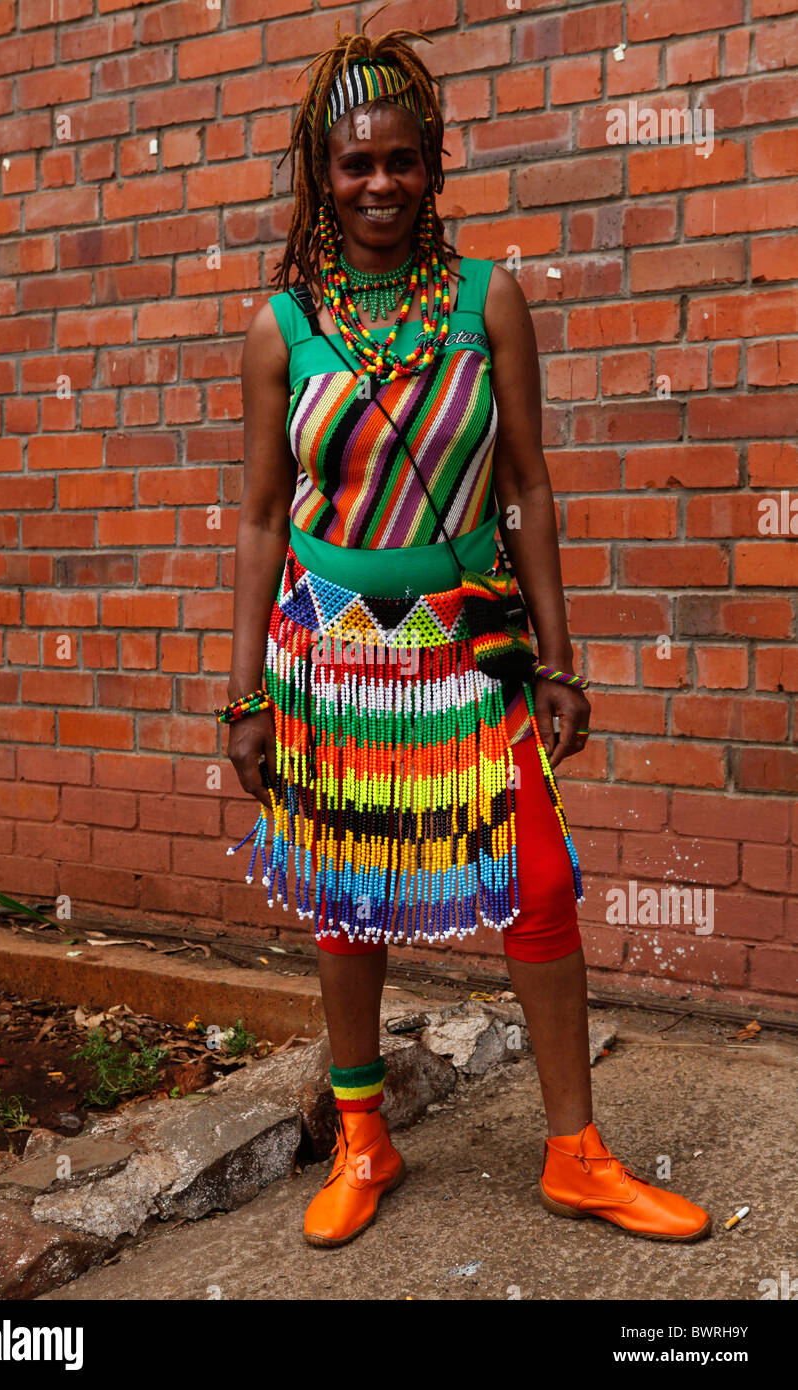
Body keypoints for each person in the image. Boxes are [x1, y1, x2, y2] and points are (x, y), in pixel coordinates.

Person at [221, 8, 711, 1249]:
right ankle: (363, 1139)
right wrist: (239, 695)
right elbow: (257, 518)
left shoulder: (489, 302)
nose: (378, 182)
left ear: (433, 164)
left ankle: (576, 1154)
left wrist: (557, 659)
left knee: (536, 879)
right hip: (330, 652)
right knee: (347, 899)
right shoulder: (278, 330)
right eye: (355, 163)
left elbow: (530, 489)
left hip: (465, 644)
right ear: (319, 177)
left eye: (401, 159)